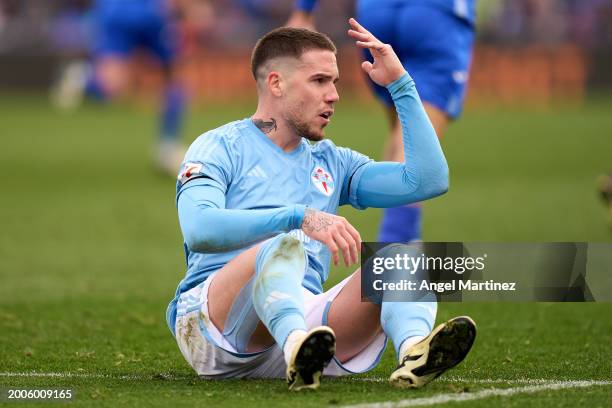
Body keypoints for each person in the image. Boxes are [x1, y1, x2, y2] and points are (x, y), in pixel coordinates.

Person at [166, 19, 476, 390]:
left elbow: (428, 181)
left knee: (402, 258)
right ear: (276, 83)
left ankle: (414, 351)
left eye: (334, 82)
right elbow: (200, 230)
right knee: (283, 245)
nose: (334, 95)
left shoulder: (332, 162)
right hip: (215, 329)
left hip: (307, 322)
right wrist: (299, 217)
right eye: (319, 81)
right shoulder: (220, 146)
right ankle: (296, 345)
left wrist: (401, 85)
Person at [288, 0, 477, 243]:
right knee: (414, 154)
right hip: (435, 16)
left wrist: (304, 11)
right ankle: (392, 265)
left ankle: (407, 248)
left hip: (375, 13)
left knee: (402, 134)